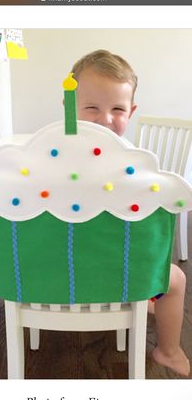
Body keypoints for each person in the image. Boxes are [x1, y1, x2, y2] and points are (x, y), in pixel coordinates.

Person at [71, 49, 190, 377]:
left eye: (118, 109)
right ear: (71, 106)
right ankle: (169, 350)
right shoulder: (135, 164)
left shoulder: (47, 157)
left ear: (131, 111)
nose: (105, 119)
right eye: (93, 107)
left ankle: (143, 305)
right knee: (176, 279)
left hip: (60, 269)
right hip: (114, 272)